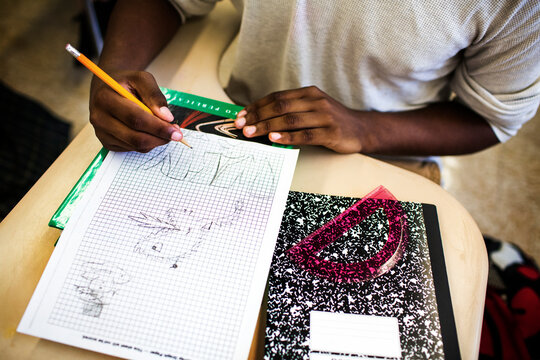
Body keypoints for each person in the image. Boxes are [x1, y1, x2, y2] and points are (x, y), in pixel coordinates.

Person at [89, 0, 539, 156]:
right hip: (232, 111)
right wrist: (113, 73)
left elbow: (491, 118)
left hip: (386, 150)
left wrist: (365, 129)